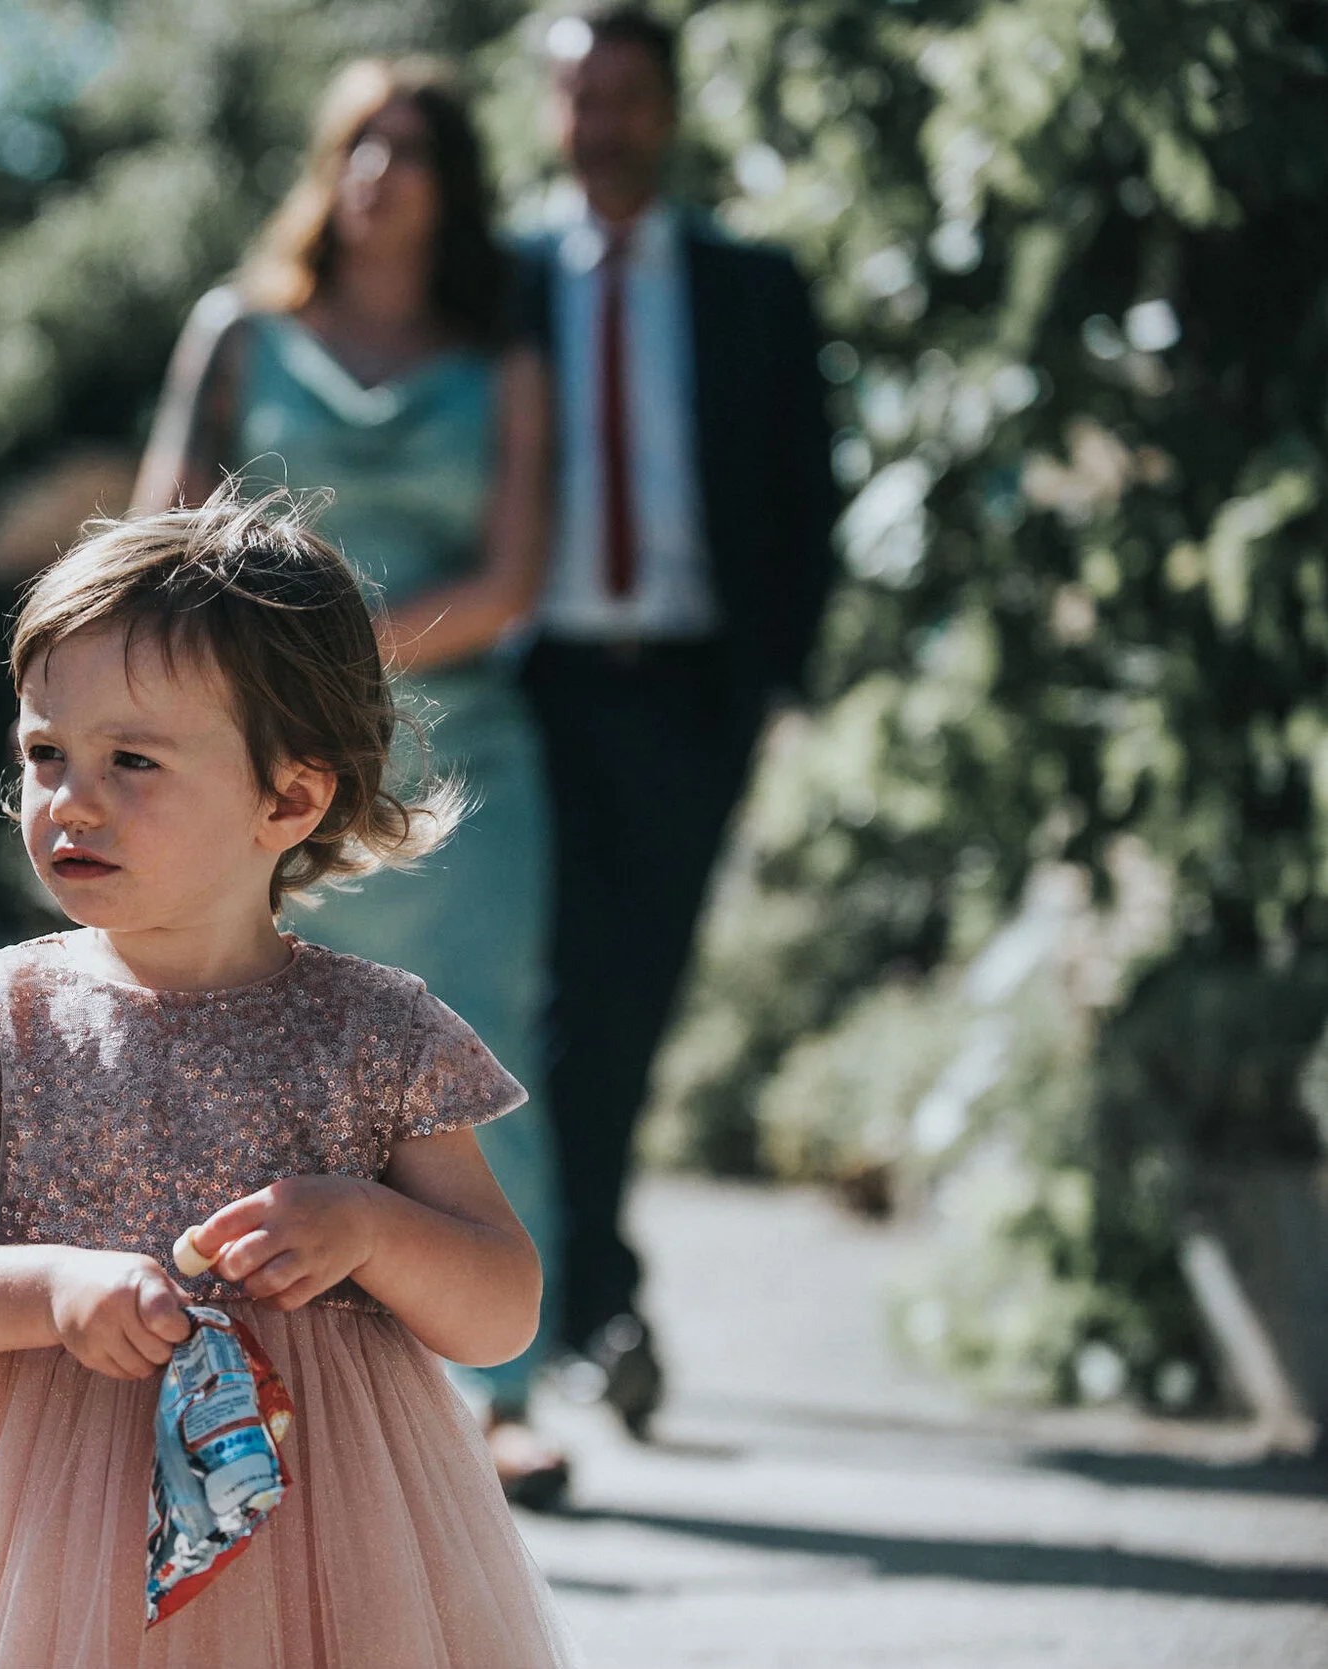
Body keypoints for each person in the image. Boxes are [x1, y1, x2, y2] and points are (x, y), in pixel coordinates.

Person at [0, 489, 577, 1667]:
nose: (72, 798)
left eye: (132, 759)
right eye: (45, 753)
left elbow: (498, 1306)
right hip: (43, 1538)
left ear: (290, 797)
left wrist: (372, 1229)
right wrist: (53, 1289)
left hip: (327, 1547)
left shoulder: (376, 1030)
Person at [132, 59, 568, 1505]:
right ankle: (226, 1355)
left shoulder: (503, 354)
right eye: (360, 145)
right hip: (259, 751)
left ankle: (497, 1394)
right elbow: (159, 528)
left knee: (476, 1059)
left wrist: (332, 654)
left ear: (454, 184)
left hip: (455, 745)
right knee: (239, 1039)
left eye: (413, 150)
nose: (383, 173)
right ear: (328, 167)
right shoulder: (240, 331)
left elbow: (511, 576)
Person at [516, 7, 837, 1434]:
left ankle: (584, 1292)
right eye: (581, 97)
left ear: (669, 109)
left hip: (693, 691)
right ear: (550, 110)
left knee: (633, 998)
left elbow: (805, 493)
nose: (604, 124)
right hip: (534, 686)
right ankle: (588, 1298)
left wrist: (777, 691)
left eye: (628, 96)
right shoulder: (504, 280)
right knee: (545, 993)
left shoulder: (754, 283)